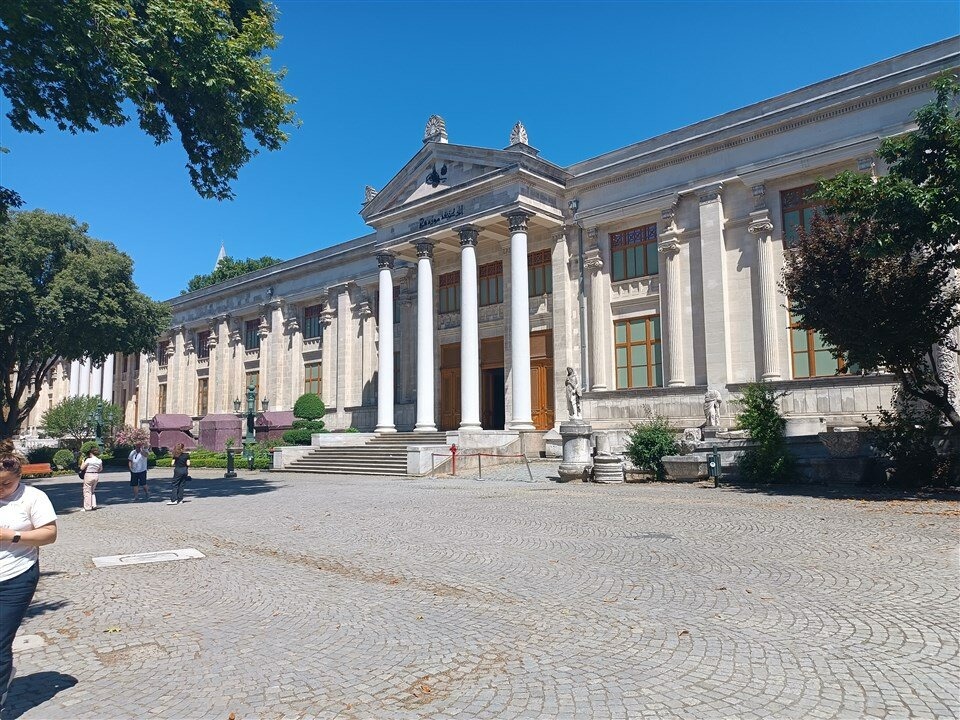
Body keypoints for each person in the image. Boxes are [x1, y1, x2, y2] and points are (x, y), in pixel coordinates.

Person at [0, 440, 58, 713]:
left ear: (19, 476)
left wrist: (10, 535)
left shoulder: (33, 498)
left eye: (5, 484)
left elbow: (49, 534)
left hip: (16, 577)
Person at [79, 446, 103, 512]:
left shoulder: (88, 460)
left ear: (91, 453)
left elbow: (82, 468)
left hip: (89, 475)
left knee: (87, 491)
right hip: (96, 475)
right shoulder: (99, 460)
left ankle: (87, 507)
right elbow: (100, 469)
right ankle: (94, 504)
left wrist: (82, 462)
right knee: (92, 490)